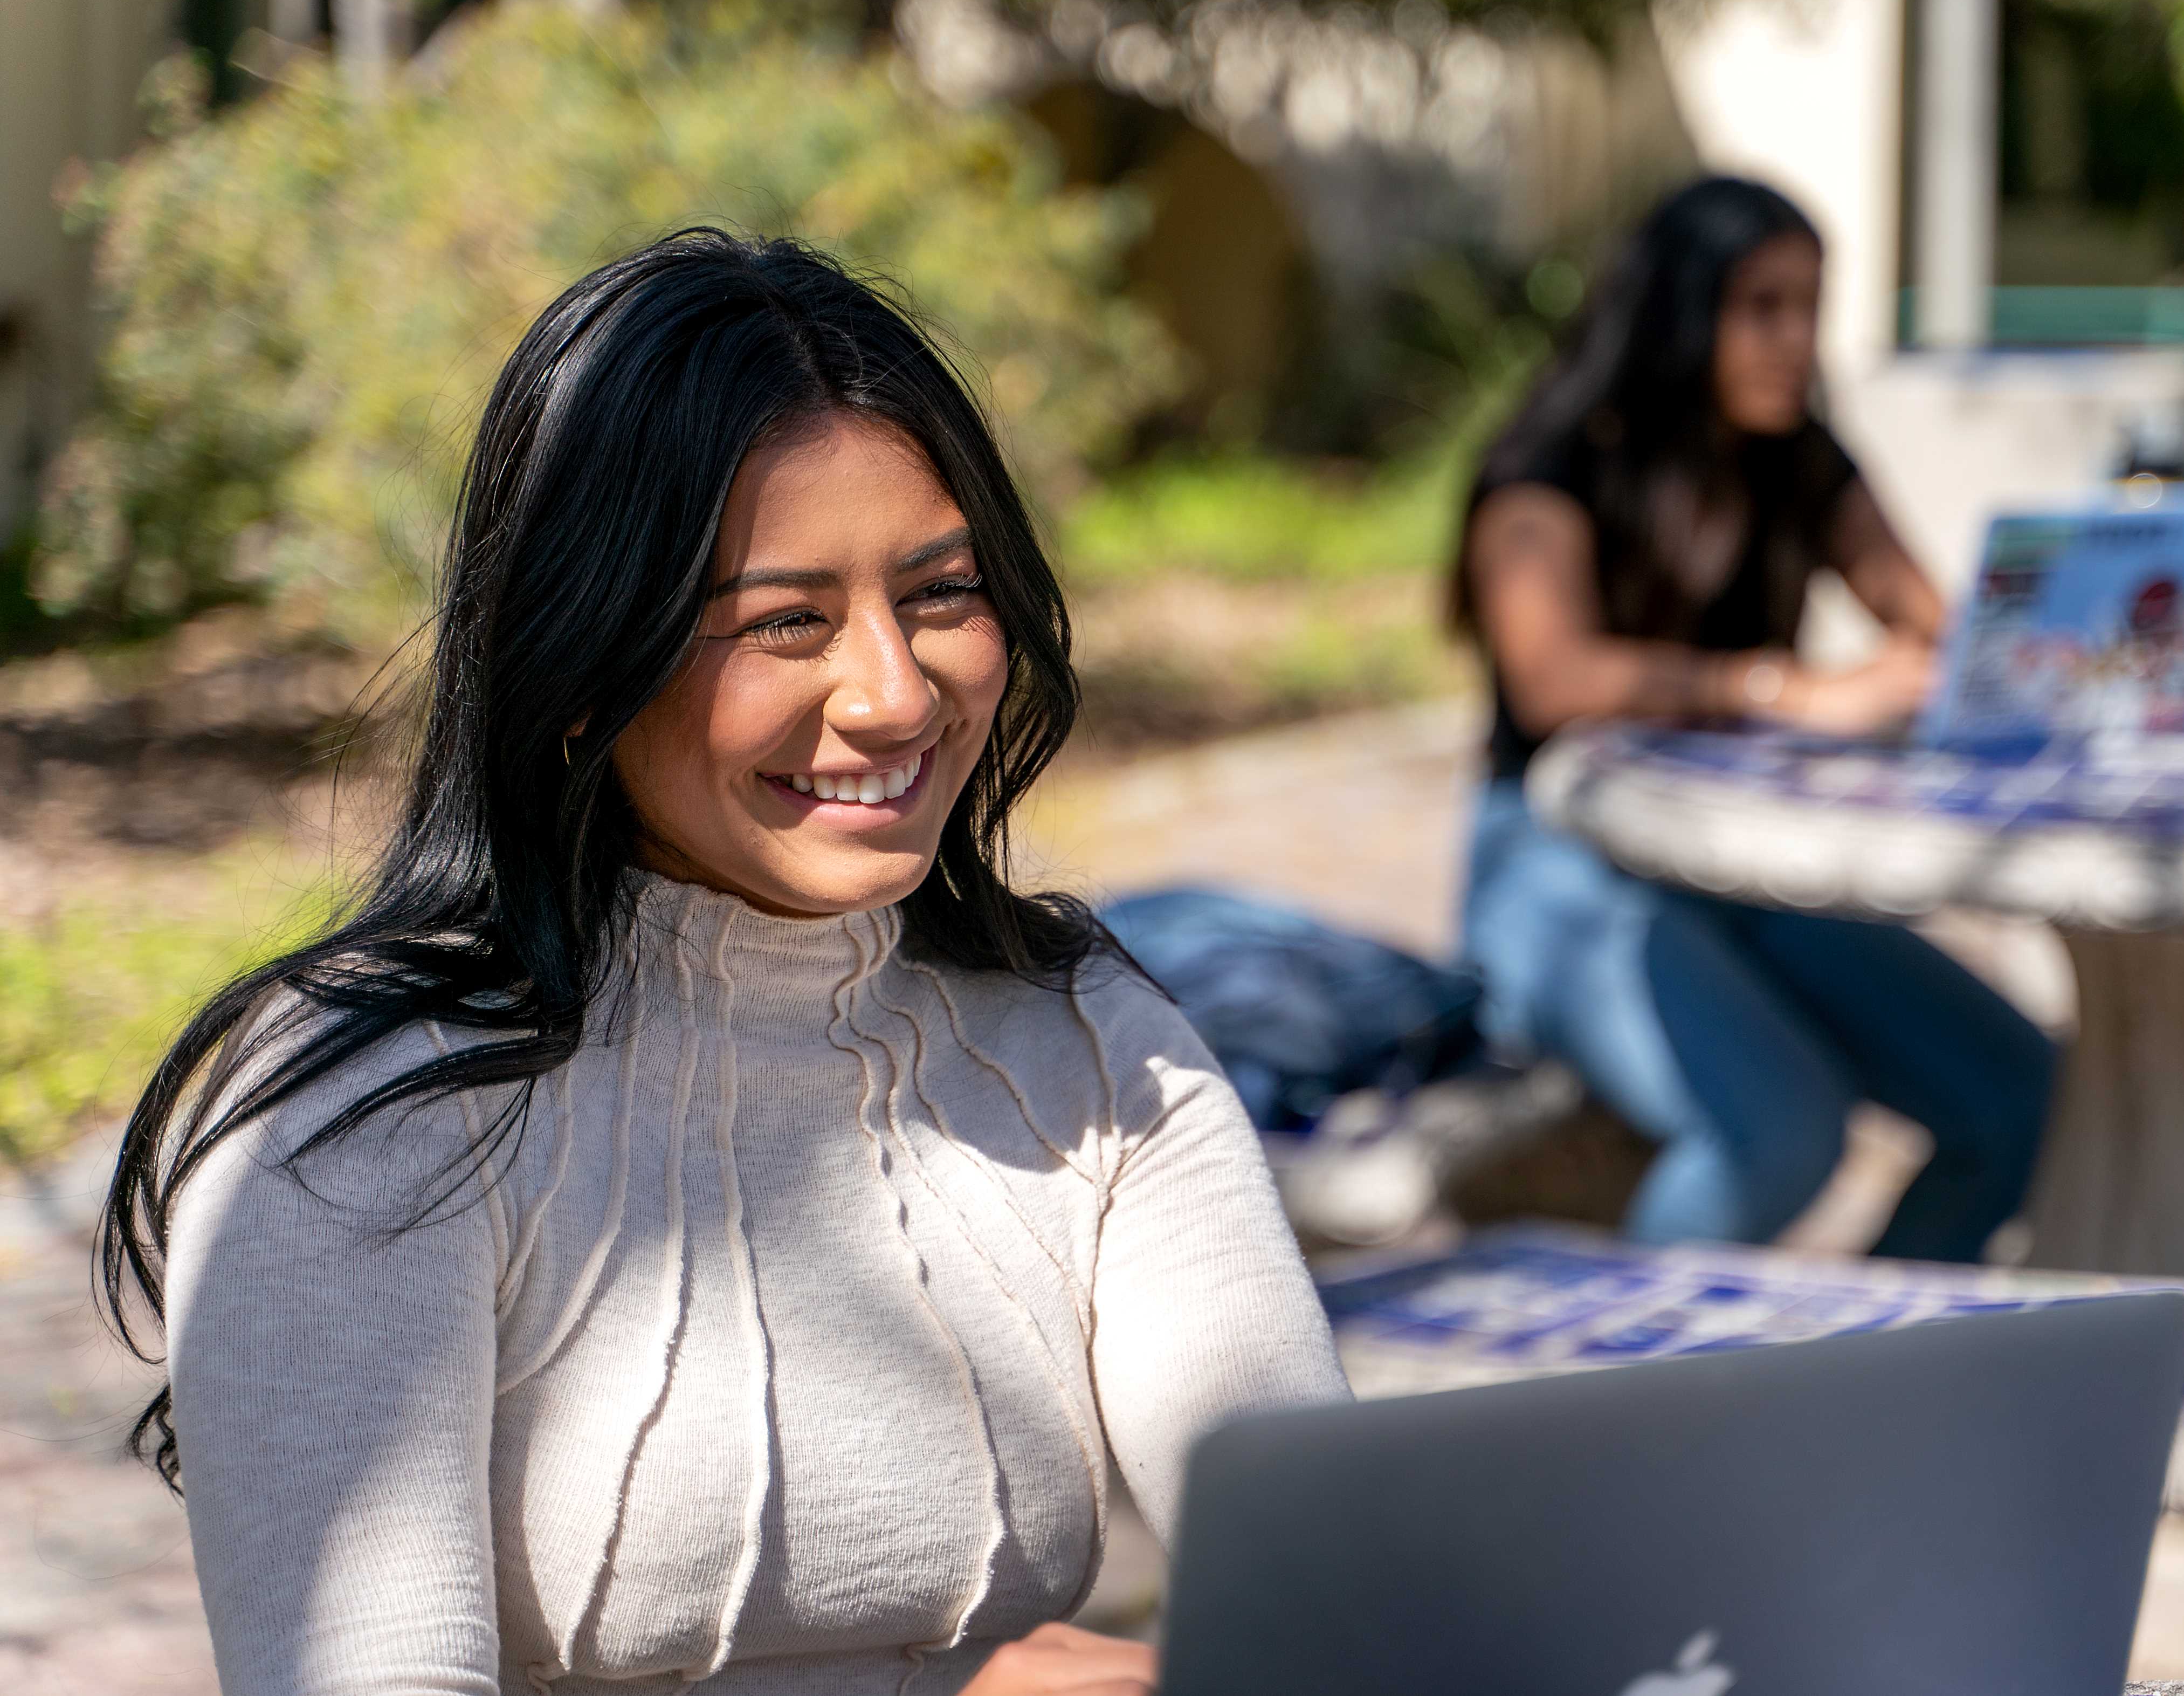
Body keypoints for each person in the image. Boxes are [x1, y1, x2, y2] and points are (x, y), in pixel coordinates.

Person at [100, 231, 1345, 1695]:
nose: (893, 694)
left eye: (942, 594)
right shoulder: (365, 1115)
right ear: (579, 671)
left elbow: (1326, 1583)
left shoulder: (1091, 1046)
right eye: (784, 622)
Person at [1454, 176, 2055, 1258]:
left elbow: (1941, 630)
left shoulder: (1801, 461)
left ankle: (1875, 1389)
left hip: (1741, 865)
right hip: (1553, 865)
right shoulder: (1550, 469)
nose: (1794, 339)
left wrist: (2064, 636)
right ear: (1681, 313)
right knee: (1777, 1135)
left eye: (1810, 306)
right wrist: (1782, 690)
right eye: (1760, 306)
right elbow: (1554, 677)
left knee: (2023, 1098)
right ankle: (1607, 1414)